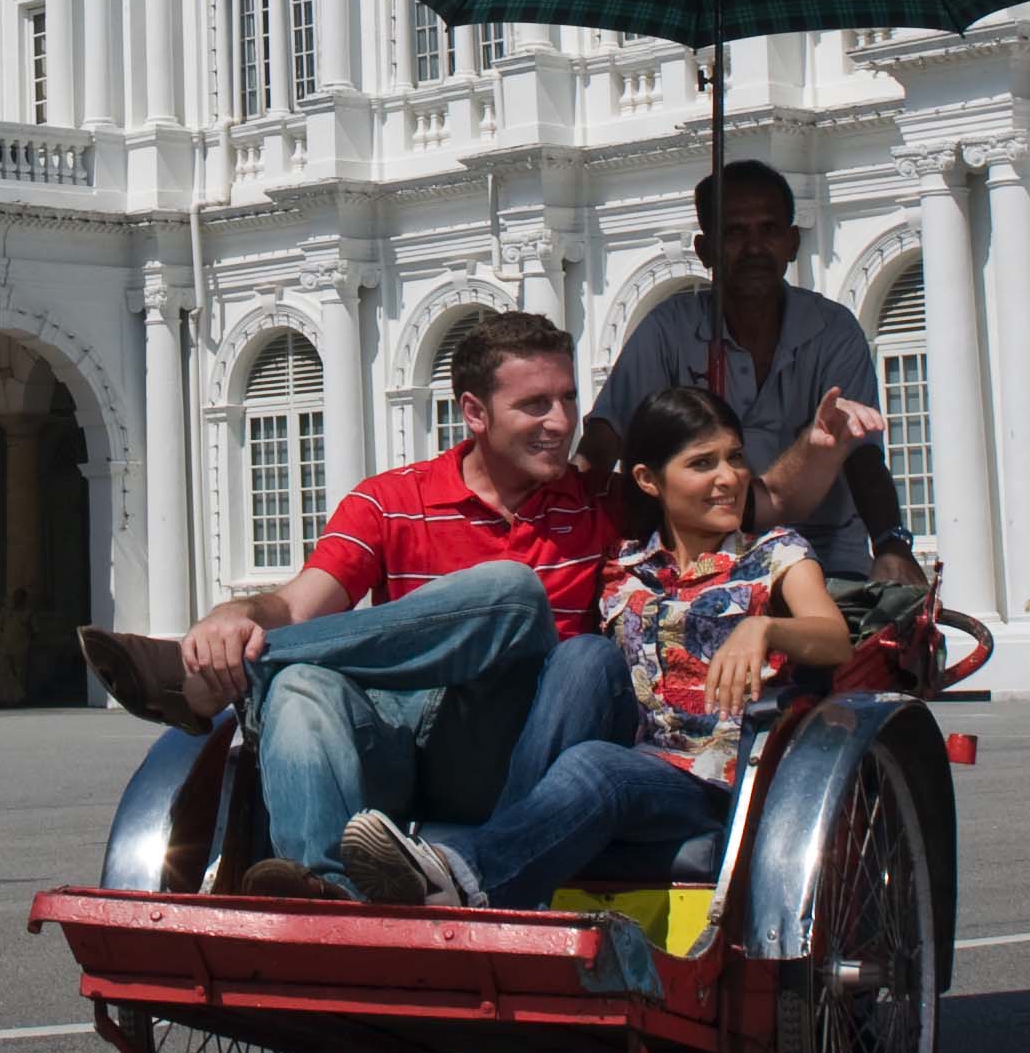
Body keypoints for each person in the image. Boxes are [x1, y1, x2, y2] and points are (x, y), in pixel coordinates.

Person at [75, 312, 633, 898]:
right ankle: (329, 892)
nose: (562, 422)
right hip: (395, 747)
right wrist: (232, 618)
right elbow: (296, 606)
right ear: (474, 413)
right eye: (536, 405)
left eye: (569, 399)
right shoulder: (391, 500)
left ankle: (207, 677)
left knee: (514, 594)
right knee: (301, 687)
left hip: (515, 753)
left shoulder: (605, 506)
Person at [335, 384, 850, 910]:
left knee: (597, 766)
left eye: (735, 458)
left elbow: (835, 639)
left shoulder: (775, 552)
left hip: (711, 780)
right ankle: (483, 865)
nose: (729, 478)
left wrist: (764, 629)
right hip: (625, 748)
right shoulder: (620, 566)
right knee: (584, 656)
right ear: (649, 481)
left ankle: (467, 872)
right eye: (702, 464)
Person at [584, 160, 927, 589]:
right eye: (734, 233)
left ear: (792, 242)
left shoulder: (834, 329)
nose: (754, 248)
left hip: (825, 553)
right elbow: (603, 443)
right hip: (699, 556)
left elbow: (861, 455)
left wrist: (892, 545)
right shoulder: (667, 329)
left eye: (768, 230)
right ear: (705, 250)